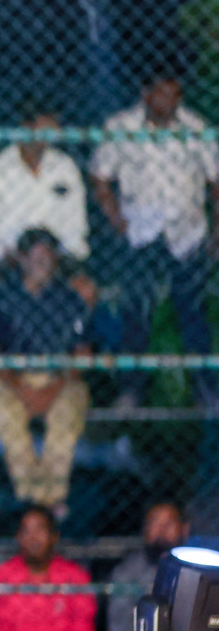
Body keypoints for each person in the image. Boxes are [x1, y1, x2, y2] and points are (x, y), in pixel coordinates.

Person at [90, 72, 219, 404]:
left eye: (176, 95)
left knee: (192, 312)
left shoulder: (196, 127)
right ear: (146, 94)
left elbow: (215, 183)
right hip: (140, 232)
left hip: (187, 233)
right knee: (136, 311)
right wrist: (118, 221)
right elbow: (100, 177)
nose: (171, 103)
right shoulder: (120, 126)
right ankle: (131, 392)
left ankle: (207, 391)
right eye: (163, 94)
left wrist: (216, 232)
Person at [0, 230, 93, 513]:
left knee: (67, 417)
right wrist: (20, 388)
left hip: (59, 378)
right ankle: (33, 501)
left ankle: (50, 499)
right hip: (13, 378)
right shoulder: (2, 296)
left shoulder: (69, 298)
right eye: (35, 255)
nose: (41, 261)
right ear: (21, 258)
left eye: (47, 255)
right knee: (6, 416)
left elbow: (82, 353)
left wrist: (53, 389)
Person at [0, 99, 89, 277]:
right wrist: (13, 258)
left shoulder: (65, 167)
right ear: (27, 126)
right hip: (8, 263)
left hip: (58, 262)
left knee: (85, 291)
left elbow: (76, 224)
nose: (56, 130)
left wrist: (59, 257)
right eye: (49, 123)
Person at [0, 505, 95, 631]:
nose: (33, 537)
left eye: (40, 529)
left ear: (54, 536)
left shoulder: (76, 578)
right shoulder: (1, 577)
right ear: (18, 537)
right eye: (26, 531)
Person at [106, 501, 190, 631]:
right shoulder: (127, 571)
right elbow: (119, 627)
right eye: (155, 523)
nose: (161, 530)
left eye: (169, 524)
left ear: (184, 529)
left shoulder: (195, 568)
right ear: (145, 529)